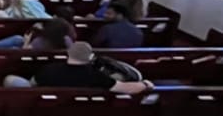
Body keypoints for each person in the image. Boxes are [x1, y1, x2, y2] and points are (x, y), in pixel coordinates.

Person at [22, 41, 154, 94]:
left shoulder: (49, 69)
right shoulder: (96, 76)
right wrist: (144, 84)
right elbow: (126, 88)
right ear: (90, 57)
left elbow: (32, 85)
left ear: (68, 53)